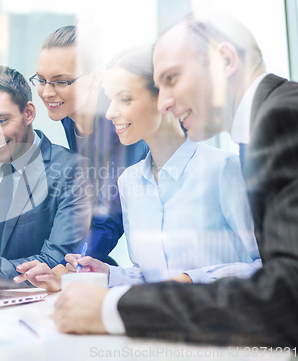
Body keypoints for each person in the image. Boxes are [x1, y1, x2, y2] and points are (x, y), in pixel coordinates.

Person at [52, 13, 298, 347]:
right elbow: (156, 276)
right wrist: (110, 276)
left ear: (224, 60)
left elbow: (281, 286)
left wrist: (116, 308)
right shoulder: (130, 183)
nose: (168, 99)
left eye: (171, 79)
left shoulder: (274, 120)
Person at [16, 46, 260, 291]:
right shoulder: (129, 182)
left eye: (124, 99)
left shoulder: (223, 169)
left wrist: (190, 280)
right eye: (110, 100)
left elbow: (269, 267)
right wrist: (108, 274)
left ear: (165, 98)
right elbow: (147, 277)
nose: (110, 113)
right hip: (156, 324)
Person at [0, 66, 92, 289]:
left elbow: (53, 262)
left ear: (28, 113)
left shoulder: (73, 170)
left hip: (47, 307)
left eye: (1, 120)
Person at [29, 25, 149, 266]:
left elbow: (109, 217)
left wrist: (72, 264)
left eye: (61, 81)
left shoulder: (121, 123)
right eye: (41, 80)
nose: (47, 92)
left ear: (94, 79)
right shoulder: (67, 112)